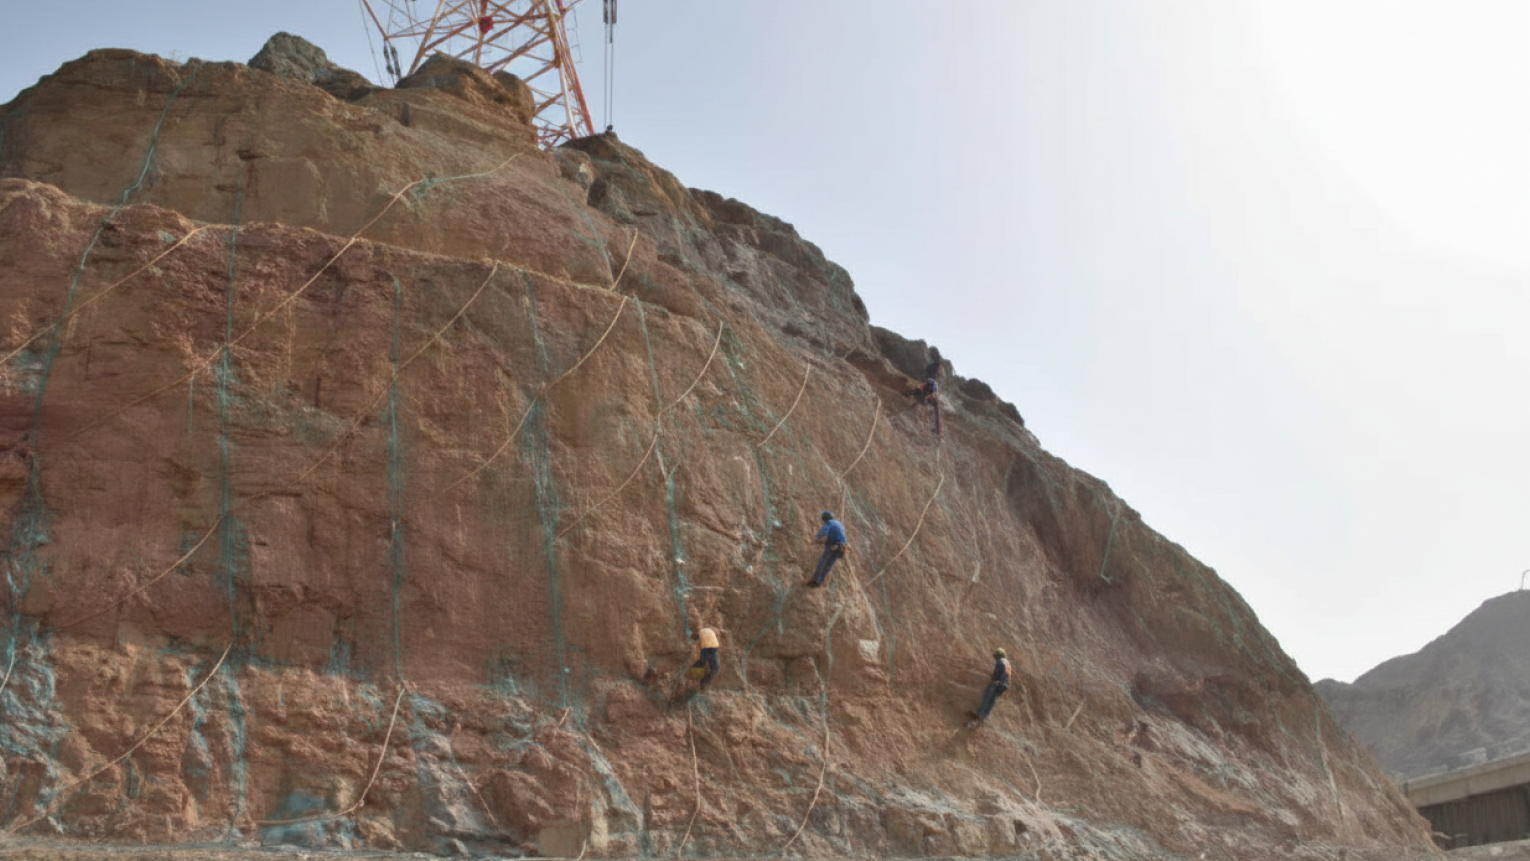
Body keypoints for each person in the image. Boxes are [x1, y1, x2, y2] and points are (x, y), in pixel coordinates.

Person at [807, 511, 846, 587]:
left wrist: (817, 539)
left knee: (822, 563)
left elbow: (823, 532)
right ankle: (820, 581)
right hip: (842, 548)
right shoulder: (839, 524)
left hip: (833, 546)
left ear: (825, 519)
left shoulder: (829, 523)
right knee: (829, 564)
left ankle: (815, 581)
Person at [972, 648, 1012, 722]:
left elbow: (996, 673)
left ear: (999, 655)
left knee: (987, 696)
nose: (995, 658)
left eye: (996, 656)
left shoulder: (1000, 661)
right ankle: (984, 715)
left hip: (998, 683)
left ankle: (980, 713)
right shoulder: (1007, 663)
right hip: (1004, 685)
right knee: (992, 699)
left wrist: (992, 680)